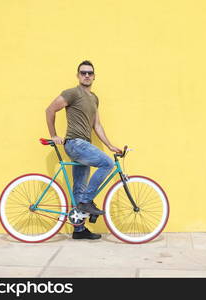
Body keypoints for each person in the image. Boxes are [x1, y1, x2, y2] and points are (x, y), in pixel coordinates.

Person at [45, 60, 122, 240]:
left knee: (79, 187)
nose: (86, 75)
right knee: (107, 163)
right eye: (83, 73)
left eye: (89, 73)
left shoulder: (94, 98)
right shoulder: (72, 93)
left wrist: (110, 145)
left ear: (94, 76)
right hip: (75, 144)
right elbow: (49, 110)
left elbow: (97, 125)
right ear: (78, 75)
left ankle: (79, 230)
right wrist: (54, 134)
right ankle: (86, 202)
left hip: (84, 146)